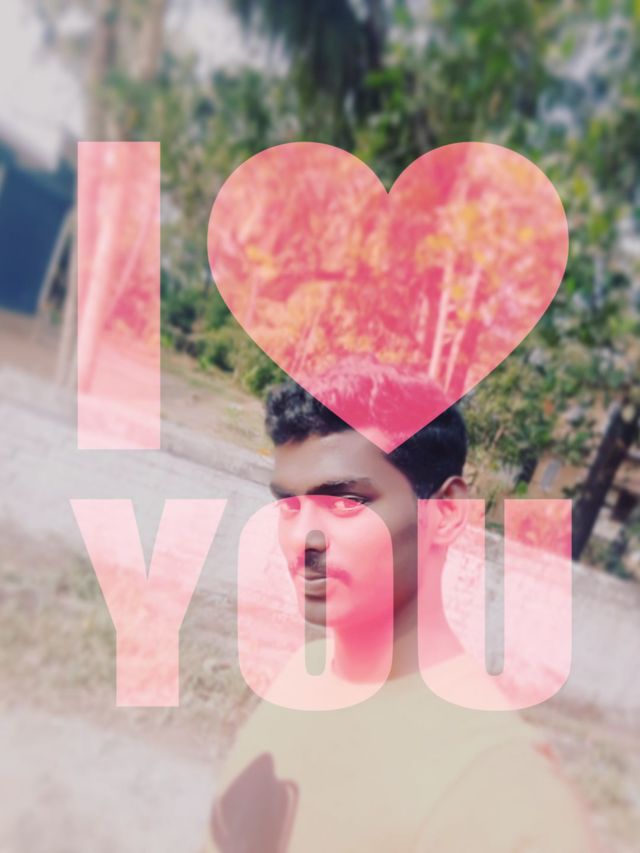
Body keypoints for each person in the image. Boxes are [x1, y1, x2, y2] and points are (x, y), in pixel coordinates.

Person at [205, 362, 597, 853]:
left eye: (347, 502)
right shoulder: (306, 672)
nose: (303, 538)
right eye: (289, 506)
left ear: (446, 513)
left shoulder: (502, 788)